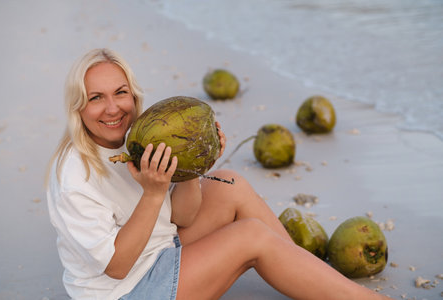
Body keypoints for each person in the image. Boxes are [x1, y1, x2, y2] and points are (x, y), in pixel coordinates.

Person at [46, 48, 391, 300]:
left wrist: (196, 163)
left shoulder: (137, 140)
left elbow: (183, 215)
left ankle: (313, 279)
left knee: (231, 185)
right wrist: (153, 194)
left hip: (156, 250)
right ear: (78, 107)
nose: (112, 108)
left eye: (120, 93)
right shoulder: (74, 177)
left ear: (134, 95)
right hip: (129, 289)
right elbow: (118, 266)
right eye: (96, 98)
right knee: (251, 237)